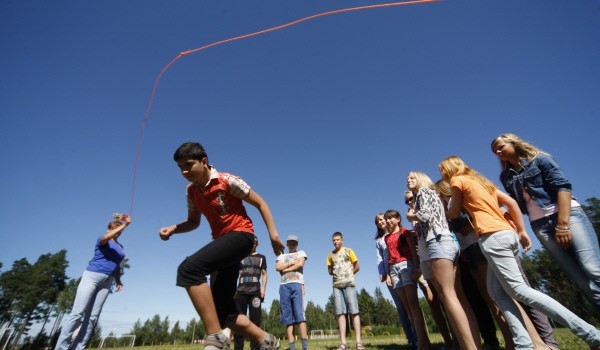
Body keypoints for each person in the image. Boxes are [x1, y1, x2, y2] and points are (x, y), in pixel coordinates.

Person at [439, 155, 600, 350]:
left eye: (443, 171)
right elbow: (512, 203)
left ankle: (590, 334)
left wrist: (442, 212)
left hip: (492, 237)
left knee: (519, 290)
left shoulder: (457, 180)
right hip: (506, 233)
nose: (443, 176)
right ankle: (524, 345)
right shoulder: (481, 181)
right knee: (497, 293)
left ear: (449, 170)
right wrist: (522, 231)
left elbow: (454, 212)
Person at [159, 142, 284, 350]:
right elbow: (193, 222)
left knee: (189, 270)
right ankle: (266, 341)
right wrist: (173, 229)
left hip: (242, 236)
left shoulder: (227, 181)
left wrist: (273, 235)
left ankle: (215, 337)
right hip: (223, 244)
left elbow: (261, 203)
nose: (184, 171)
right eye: (180, 167)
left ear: (204, 161)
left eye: (189, 165)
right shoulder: (191, 192)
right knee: (222, 311)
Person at [491, 133, 600, 308]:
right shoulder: (506, 177)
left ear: (514, 143)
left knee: (593, 268)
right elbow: (516, 202)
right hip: (540, 226)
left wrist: (563, 225)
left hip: (568, 215)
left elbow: (563, 188)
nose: (497, 151)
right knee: (580, 279)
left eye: (500, 146)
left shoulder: (540, 160)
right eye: (494, 150)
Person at [406, 172, 481, 350]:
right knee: (456, 297)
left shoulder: (424, 192)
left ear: (422, 179)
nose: (408, 180)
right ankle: (469, 344)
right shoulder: (429, 195)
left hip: (437, 242)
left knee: (449, 296)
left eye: (412, 178)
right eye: (407, 179)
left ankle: (469, 347)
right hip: (441, 243)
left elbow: (425, 215)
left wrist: (411, 216)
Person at [55, 214, 131, 350]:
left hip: (108, 281)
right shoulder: (103, 239)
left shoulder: (120, 246)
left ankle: (78, 347)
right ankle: (61, 348)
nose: (118, 231)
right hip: (92, 276)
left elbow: (117, 264)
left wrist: (119, 280)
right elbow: (106, 238)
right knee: (77, 313)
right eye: (115, 228)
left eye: (119, 230)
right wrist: (124, 224)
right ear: (109, 229)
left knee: (92, 318)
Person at [404, 190, 456, 350]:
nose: (410, 202)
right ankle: (448, 341)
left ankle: (458, 339)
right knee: (433, 302)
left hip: (439, 251)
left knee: (446, 297)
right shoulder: (414, 217)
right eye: (407, 201)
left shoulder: (425, 206)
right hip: (425, 259)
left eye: (412, 199)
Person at [384, 210, 430, 350]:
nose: (388, 221)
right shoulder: (387, 237)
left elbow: (413, 251)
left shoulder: (405, 232)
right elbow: (389, 257)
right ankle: (421, 339)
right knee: (406, 306)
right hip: (394, 270)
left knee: (413, 304)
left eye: (391, 218)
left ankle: (423, 342)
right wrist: (388, 274)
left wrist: (416, 267)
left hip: (406, 265)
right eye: (387, 219)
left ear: (398, 219)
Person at [374, 213, 418, 348]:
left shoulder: (400, 232)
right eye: (378, 222)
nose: (381, 222)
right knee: (400, 306)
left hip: (405, 265)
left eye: (382, 219)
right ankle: (410, 338)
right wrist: (383, 273)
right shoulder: (380, 240)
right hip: (390, 272)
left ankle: (419, 335)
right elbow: (380, 258)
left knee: (411, 303)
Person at [327, 232, 364, 350]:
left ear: (342, 240)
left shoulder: (349, 251)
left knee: (354, 311)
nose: (335, 242)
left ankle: (358, 342)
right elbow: (329, 270)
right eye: (333, 240)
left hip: (349, 284)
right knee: (340, 313)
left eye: (337, 240)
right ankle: (343, 343)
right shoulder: (330, 255)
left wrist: (349, 274)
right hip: (337, 286)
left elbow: (357, 266)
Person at [234, 236, 268, 350]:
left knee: (255, 322)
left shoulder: (262, 257)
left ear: (257, 244)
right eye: (251, 242)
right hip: (240, 292)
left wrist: (263, 289)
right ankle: (238, 348)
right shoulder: (240, 256)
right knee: (239, 322)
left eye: (255, 243)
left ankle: (255, 348)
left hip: (255, 293)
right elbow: (235, 273)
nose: (253, 244)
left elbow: (264, 274)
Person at [276, 235, 309, 350]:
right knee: (287, 317)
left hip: (297, 284)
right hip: (284, 286)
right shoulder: (282, 255)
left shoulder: (301, 253)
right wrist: (291, 264)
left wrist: (286, 269)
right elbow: (278, 267)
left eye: (294, 242)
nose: (292, 244)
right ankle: (292, 346)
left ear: (297, 243)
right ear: (287, 243)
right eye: (290, 242)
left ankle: (305, 346)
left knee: (300, 315)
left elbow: (300, 264)